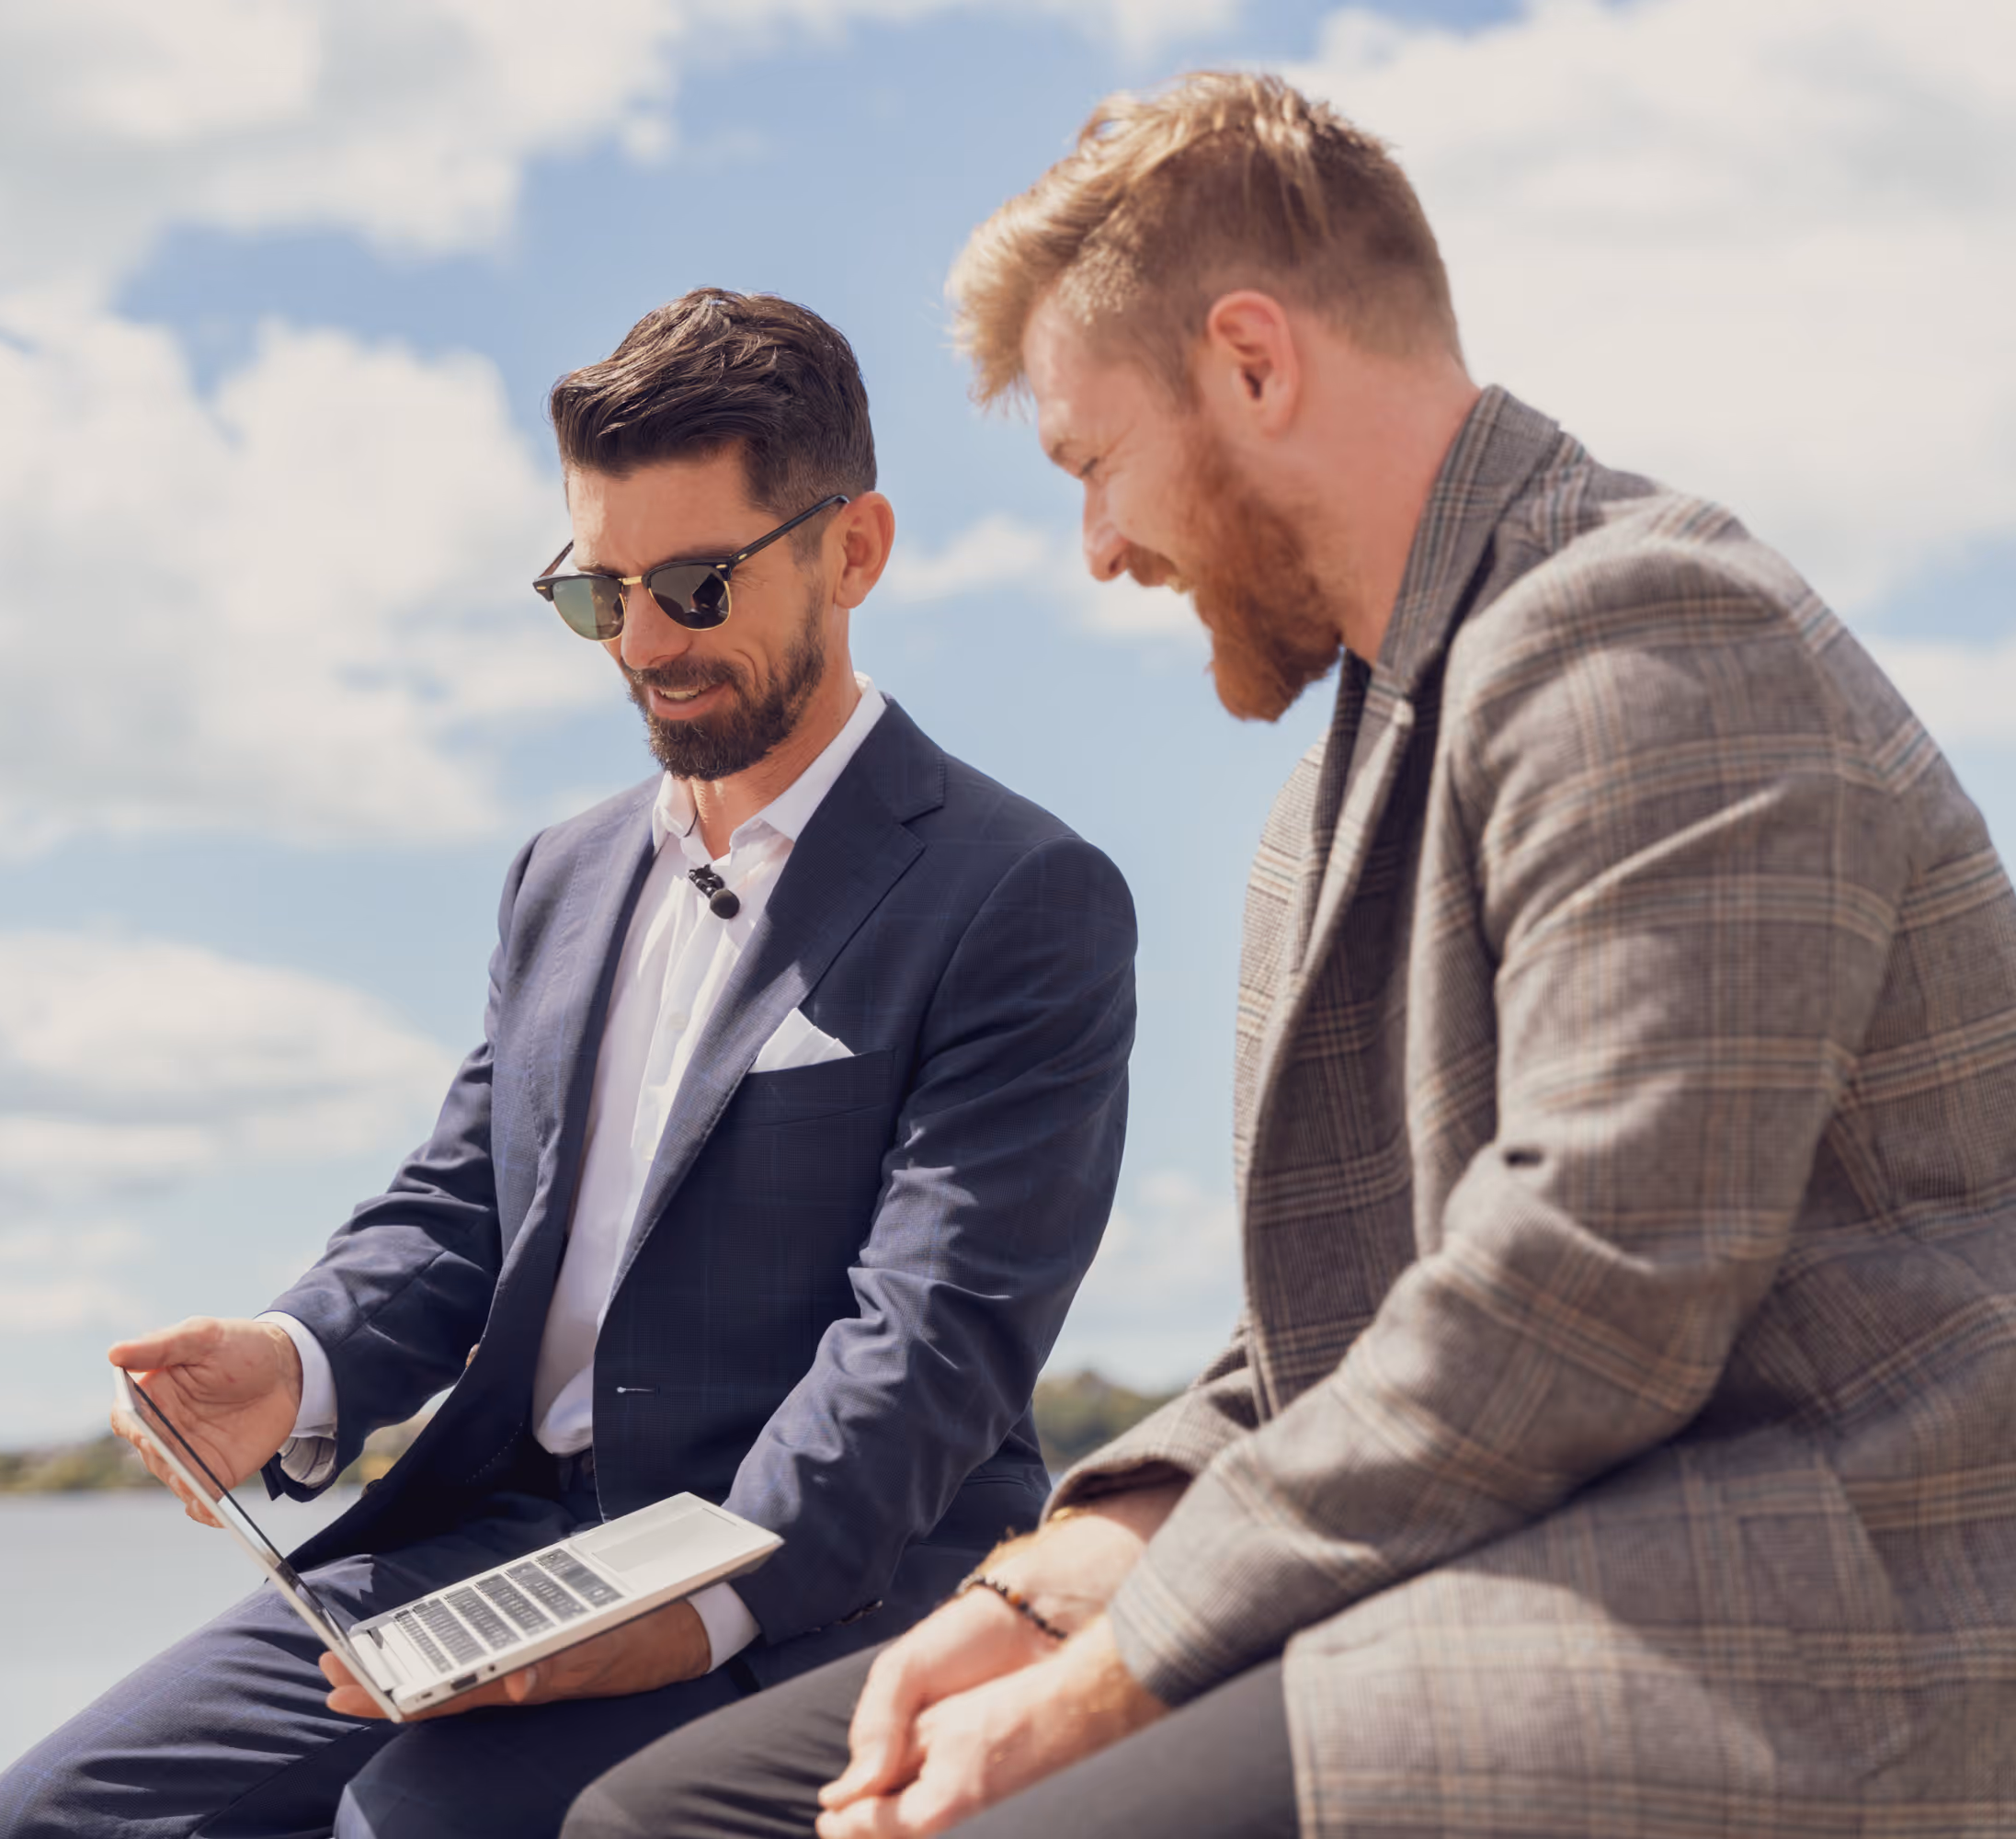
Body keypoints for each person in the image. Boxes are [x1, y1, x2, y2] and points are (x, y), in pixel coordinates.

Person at [566, 74, 2016, 1839]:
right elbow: (1325, 1342)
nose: (1099, 549)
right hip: (1476, 1563)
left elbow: (1588, 1285)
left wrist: (1122, 1666)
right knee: (666, 1817)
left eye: (1094, 462)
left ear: (1251, 365)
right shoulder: (1333, 789)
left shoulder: (1646, 630)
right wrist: (1048, 1584)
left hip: (1781, 1618)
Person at [0, 289, 1138, 1839]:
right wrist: (293, 1361)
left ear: (855, 550)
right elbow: (463, 1210)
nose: (642, 644)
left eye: (695, 585)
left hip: (806, 1582)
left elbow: (929, 1347)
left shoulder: (1016, 892)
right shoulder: (559, 877)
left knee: (406, 1829)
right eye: (598, 594)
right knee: (25, 1830)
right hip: (486, 1551)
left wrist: (682, 1604)